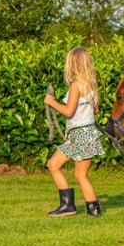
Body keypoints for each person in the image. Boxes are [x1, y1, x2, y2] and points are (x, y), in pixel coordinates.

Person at [44, 47, 104, 217]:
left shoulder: (76, 85)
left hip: (79, 135)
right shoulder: (90, 86)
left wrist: (51, 102)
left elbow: (69, 111)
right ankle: (94, 211)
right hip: (89, 134)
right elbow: (95, 110)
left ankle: (67, 206)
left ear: (73, 64)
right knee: (81, 174)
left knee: (53, 164)